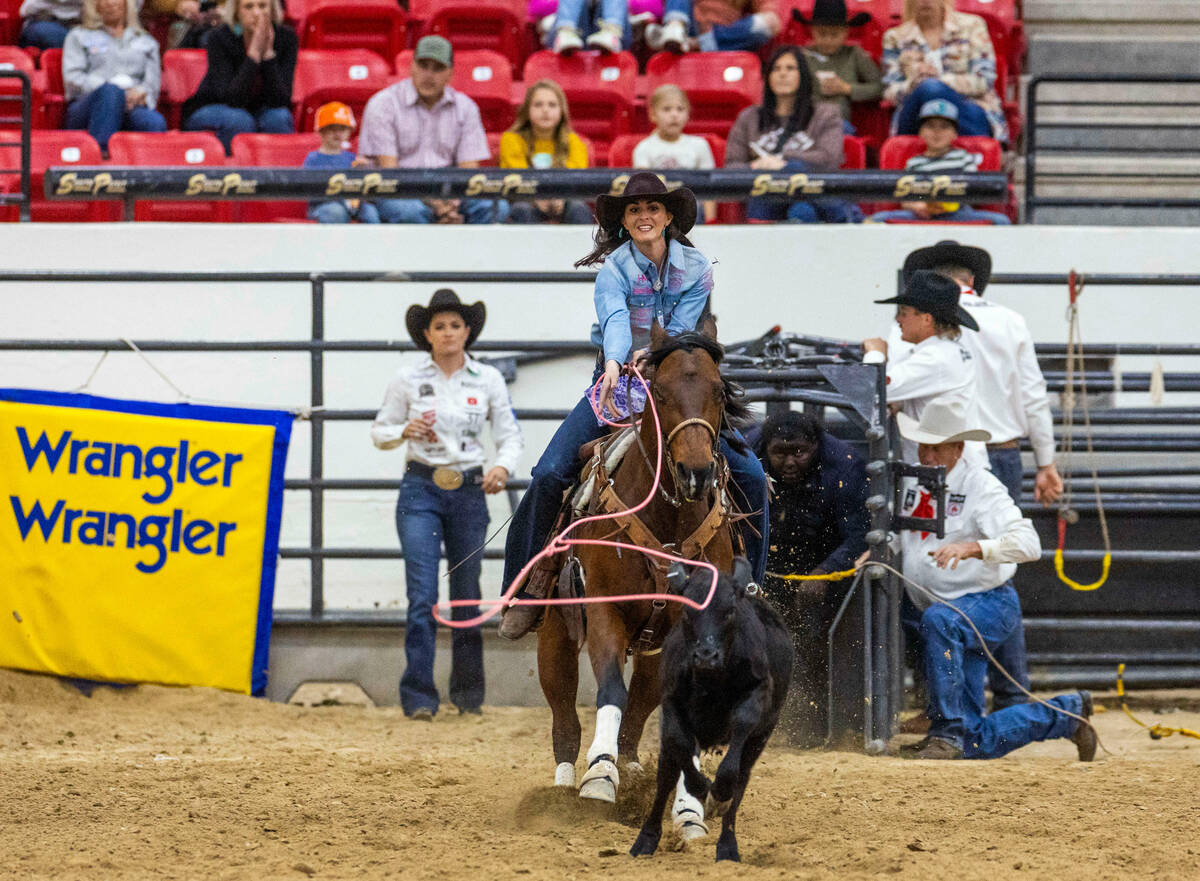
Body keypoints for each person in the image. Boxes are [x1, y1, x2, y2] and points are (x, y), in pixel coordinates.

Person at [497, 171, 770, 641]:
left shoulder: (698, 268)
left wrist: (653, 359)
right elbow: (616, 318)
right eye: (634, 210)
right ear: (624, 221)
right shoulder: (613, 269)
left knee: (751, 476)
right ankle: (525, 588)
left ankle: (751, 588)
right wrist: (615, 363)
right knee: (547, 474)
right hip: (618, 383)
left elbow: (683, 332)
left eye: (652, 208)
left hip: (677, 386)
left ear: (668, 217)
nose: (644, 216)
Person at [902, 239, 1064, 711]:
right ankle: (1009, 693)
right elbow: (1034, 395)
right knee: (994, 576)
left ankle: (944, 700)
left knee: (942, 565)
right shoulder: (1009, 321)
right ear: (971, 281)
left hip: (938, 454)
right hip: (999, 450)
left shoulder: (922, 332)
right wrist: (1047, 462)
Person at [889, 400, 1096, 761]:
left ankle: (946, 733)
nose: (927, 453)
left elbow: (1029, 544)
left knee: (939, 621)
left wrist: (973, 547)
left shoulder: (981, 486)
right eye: (925, 445)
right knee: (975, 741)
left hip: (985, 604)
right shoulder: (915, 482)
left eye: (937, 447)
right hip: (958, 613)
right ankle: (1067, 714)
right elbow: (902, 536)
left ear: (959, 449)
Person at [370, 289, 524, 720]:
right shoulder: (407, 378)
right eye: (439, 326)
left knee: (466, 596)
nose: (448, 333)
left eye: (455, 325)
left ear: (467, 331)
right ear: (427, 334)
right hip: (420, 487)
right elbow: (379, 431)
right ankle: (419, 697)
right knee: (422, 596)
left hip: (471, 490)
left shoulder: (488, 379)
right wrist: (405, 429)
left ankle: (468, 696)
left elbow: (509, 433)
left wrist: (503, 467)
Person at [754, 411, 868, 747]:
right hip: (768, 561)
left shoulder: (844, 466)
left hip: (828, 564)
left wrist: (823, 574)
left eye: (799, 453)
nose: (789, 462)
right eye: (780, 453)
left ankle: (820, 725)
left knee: (817, 639)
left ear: (816, 446)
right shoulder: (747, 456)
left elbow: (861, 533)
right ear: (766, 449)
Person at [358, 36, 507, 225]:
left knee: (496, 207)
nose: (429, 74)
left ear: (450, 73)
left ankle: (471, 253)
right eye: (423, 66)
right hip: (395, 190)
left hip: (450, 192)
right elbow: (390, 173)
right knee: (410, 211)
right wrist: (433, 204)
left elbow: (468, 173)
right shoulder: (383, 104)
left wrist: (451, 203)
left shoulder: (466, 107)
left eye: (438, 68)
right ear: (411, 67)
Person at [862, 269, 985, 469]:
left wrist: (875, 354)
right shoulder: (948, 350)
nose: (899, 320)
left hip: (946, 470)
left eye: (904, 313)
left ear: (927, 319)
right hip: (956, 466)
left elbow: (870, 389)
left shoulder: (934, 358)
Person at [725, 45, 853, 224]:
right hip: (765, 197)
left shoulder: (825, 114)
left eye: (790, 68)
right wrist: (757, 167)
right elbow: (730, 168)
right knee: (775, 184)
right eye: (776, 69)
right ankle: (847, 218)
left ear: (803, 75)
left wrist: (782, 162)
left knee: (801, 206)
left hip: (811, 196)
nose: (782, 74)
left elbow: (829, 159)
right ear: (767, 76)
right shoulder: (749, 117)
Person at [882, 0, 1007, 144]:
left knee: (932, 88)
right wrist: (915, 83)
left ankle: (977, 151)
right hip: (916, 111)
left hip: (967, 105)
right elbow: (890, 91)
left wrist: (939, 81)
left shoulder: (972, 26)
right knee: (928, 89)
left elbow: (984, 80)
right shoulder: (894, 37)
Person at [867, 99, 1010, 225]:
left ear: (955, 133)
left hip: (958, 213)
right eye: (930, 126)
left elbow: (971, 190)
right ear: (921, 132)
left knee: (1001, 221)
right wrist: (919, 205)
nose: (937, 132)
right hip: (922, 214)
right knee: (876, 220)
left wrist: (949, 202)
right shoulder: (915, 163)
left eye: (944, 126)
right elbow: (906, 196)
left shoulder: (964, 158)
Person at [181, 0, 297, 154]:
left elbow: (281, 100)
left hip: (259, 109)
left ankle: (278, 176)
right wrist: (254, 54)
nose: (256, 13)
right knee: (239, 120)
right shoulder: (219, 38)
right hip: (213, 106)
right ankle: (230, 175)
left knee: (279, 118)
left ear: (272, 10)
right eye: (248, 7)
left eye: (262, 6)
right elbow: (231, 98)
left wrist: (268, 54)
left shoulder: (287, 38)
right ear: (237, 11)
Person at [62, 0, 167, 152]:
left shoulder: (146, 41)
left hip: (132, 106)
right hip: (89, 104)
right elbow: (73, 78)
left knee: (154, 122)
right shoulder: (78, 36)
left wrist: (139, 94)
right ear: (95, 5)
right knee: (111, 93)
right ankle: (100, 157)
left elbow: (152, 85)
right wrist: (115, 91)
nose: (111, 3)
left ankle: (152, 171)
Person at [500, 80, 592, 226]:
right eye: (538, 104)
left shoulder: (574, 141)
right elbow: (518, 176)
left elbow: (576, 177)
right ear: (527, 110)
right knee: (521, 209)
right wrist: (537, 198)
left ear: (562, 110)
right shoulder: (511, 139)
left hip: (563, 198)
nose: (545, 110)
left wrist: (559, 197)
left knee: (579, 208)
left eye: (552, 105)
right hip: (524, 197)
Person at [633, 84, 717, 223]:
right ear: (653, 114)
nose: (674, 115)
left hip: (693, 213)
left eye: (680, 109)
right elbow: (643, 191)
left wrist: (711, 221)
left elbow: (709, 189)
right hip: (657, 213)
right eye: (667, 109)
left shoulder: (700, 145)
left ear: (688, 114)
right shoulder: (644, 148)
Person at [795, 0, 882, 132]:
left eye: (835, 34)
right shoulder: (802, 56)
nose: (828, 40)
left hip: (839, 124)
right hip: (805, 120)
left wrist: (847, 88)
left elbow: (880, 88)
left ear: (846, 32)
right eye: (822, 33)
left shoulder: (854, 54)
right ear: (812, 31)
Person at [302, 102, 380, 225]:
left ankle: (375, 243)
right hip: (324, 206)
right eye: (332, 129)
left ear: (349, 132)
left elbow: (361, 187)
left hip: (352, 205)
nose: (338, 133)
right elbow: (308, 189)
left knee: (370, 212)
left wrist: (363, 170)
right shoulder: (313, 159)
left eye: (342, 129)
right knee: (335, 211)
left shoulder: (352, 158)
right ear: (321, 131)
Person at [645, 0, 780, 53]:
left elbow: (771, 13)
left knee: (767, 23)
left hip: (727, 34)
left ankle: (691, 43)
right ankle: (674, 30)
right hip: (691, 26)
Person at [547, 0, 627, 54]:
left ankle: (611, 33)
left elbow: (637, 5)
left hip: (616, 33)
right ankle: (565, 33)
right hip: (570, 32)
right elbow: (537, 6)